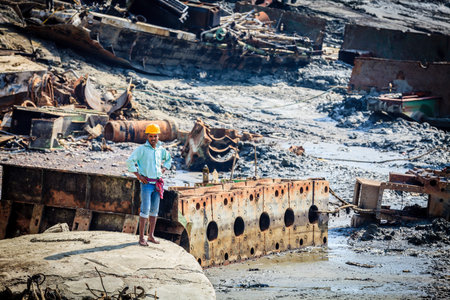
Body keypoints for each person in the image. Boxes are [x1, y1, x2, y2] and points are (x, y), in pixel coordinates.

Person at [126, 124, 172, 246]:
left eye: (155, 136)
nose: (153, 138)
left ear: (158, 137)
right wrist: (138, 176)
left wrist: (164, 169)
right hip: (146, 184)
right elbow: (129, 161)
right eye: (151, 136)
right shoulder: (142, 150)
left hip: (157, 184)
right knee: (145, 210)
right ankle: (141, 238)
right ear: (147, 136)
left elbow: (168, 159)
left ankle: (151, 235)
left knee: (154, 211)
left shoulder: (160, 150)